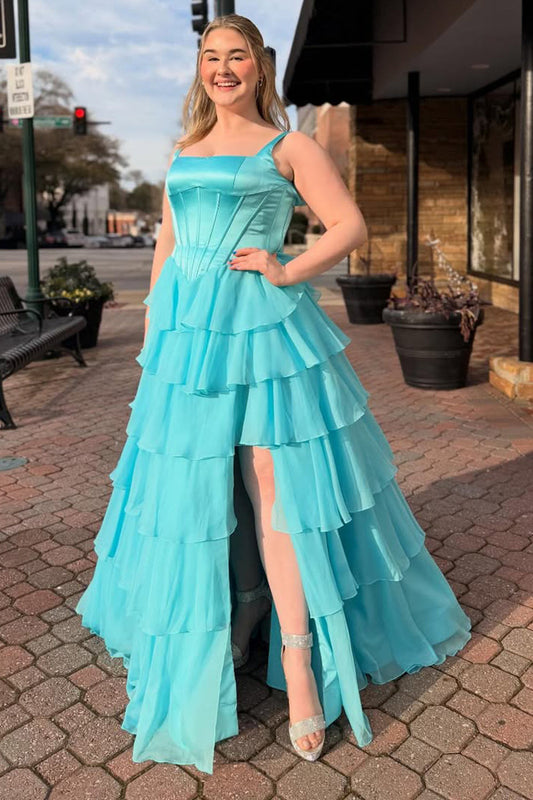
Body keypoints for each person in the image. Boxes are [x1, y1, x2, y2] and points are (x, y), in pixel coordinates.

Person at [75, 13, 472, 776]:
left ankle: (297, 659)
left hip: (259, 328)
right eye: (210, 56)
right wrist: (155, 329)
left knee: (270, 482)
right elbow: (166, 243)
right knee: (194, 483)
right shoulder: (185, 150)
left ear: (258, 67)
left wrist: (287, 269)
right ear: (200, 69)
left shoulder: (287, 145)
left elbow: (348, 225)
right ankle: (227, 617)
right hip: (187, 337)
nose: (222, 68)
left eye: (236, 56)